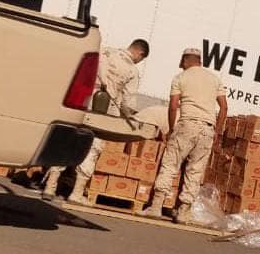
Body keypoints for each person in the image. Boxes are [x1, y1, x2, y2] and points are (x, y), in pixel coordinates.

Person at [42, 39, 150, 203]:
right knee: (93, 149)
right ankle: (76, 193)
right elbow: (128, 103)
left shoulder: (105, 52)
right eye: (141, 59)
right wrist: (132, 120)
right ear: (140, 53)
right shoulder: (131, 71)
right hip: (103, 113)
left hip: (82, 102)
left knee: (69, 141)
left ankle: (50, 187)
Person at [140, 48, 227, 223]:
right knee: (195, 171)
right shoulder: (214, 79)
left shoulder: (181, 78)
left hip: (187, 124)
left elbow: (173, 106)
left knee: (170, 164)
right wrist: (216, 130)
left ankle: (156, 207)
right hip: (207, 129)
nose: (180, 65)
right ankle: (183, 212)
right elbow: (224, 107)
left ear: (187, 60)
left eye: (182, 62)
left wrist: (172, 129)